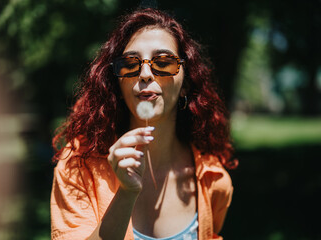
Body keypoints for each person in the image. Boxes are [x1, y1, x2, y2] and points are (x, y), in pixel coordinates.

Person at [50, 8, 238, 240]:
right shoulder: (77, 167)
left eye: (164, 62)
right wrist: (126, 195)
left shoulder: (213, 179)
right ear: (116, 85)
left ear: (186, 84)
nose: (146, 74)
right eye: (130, 64)